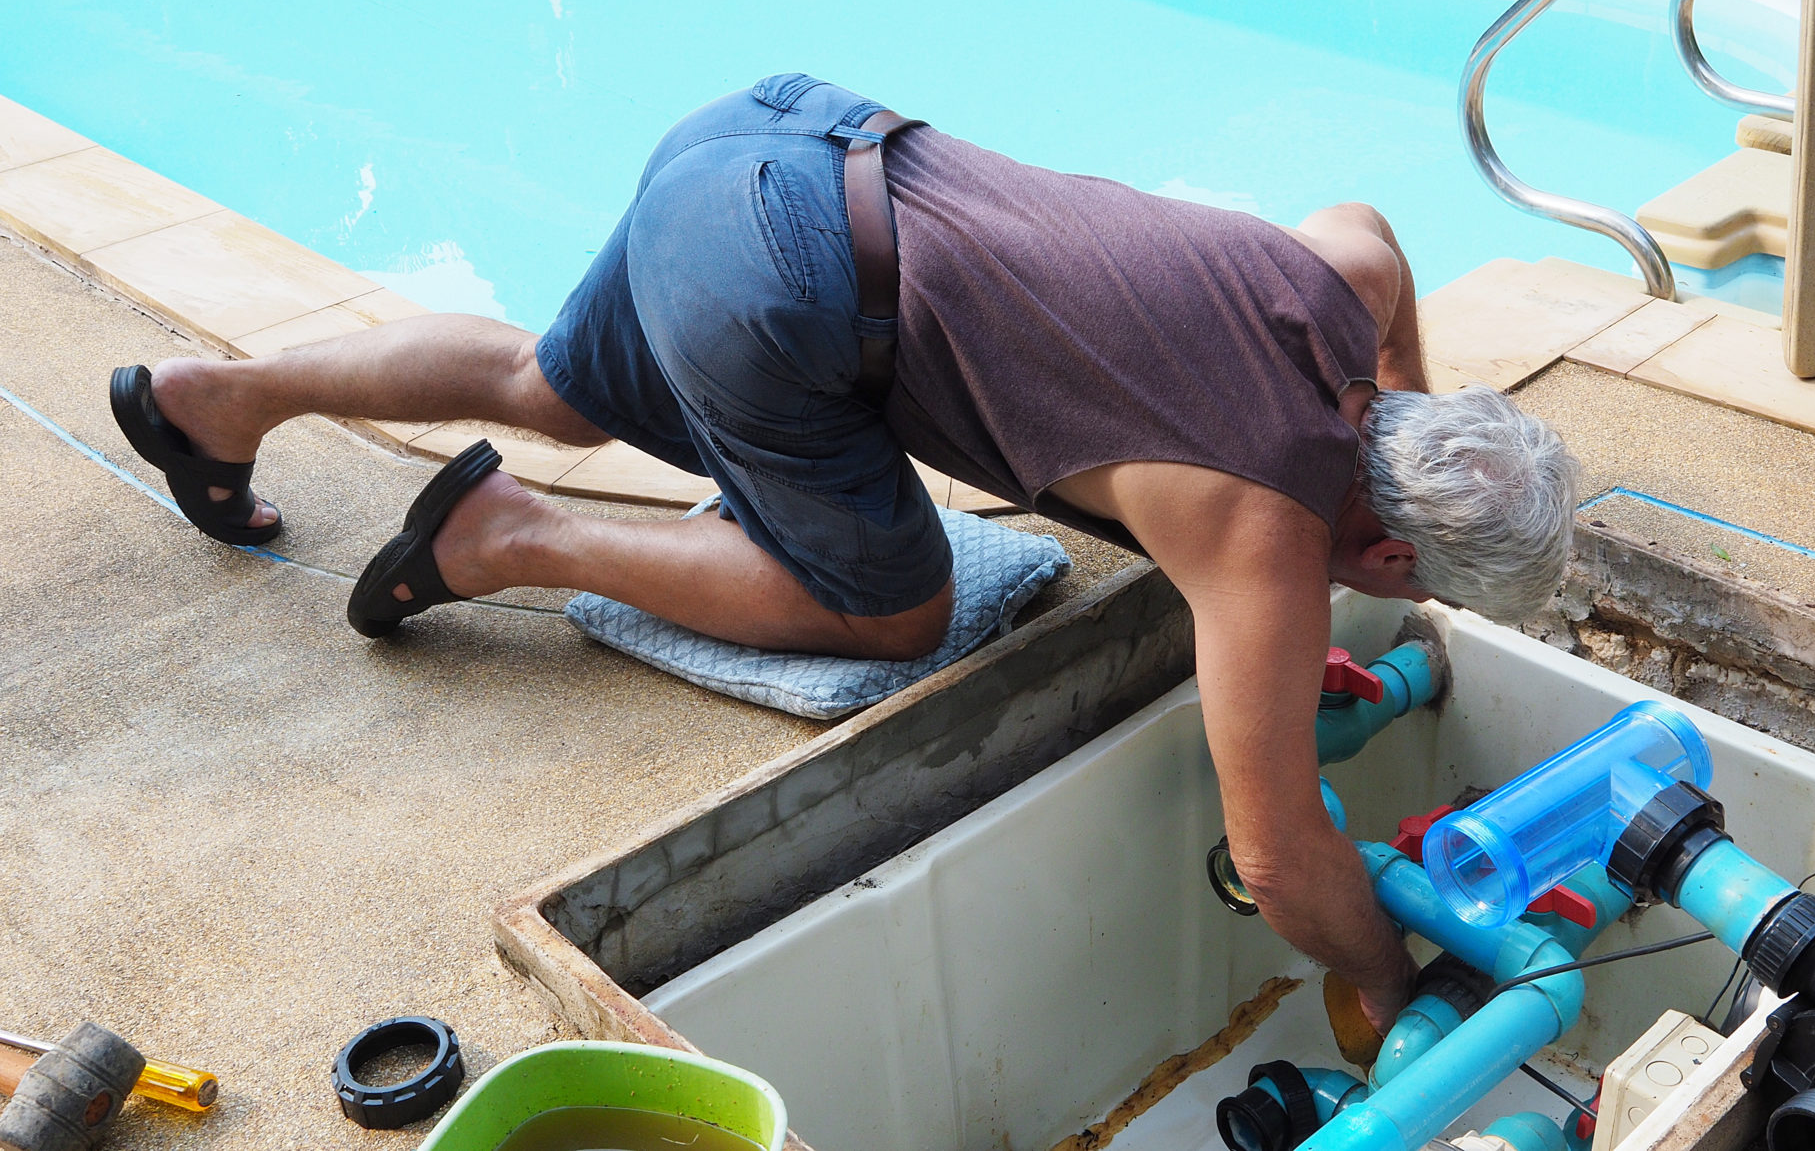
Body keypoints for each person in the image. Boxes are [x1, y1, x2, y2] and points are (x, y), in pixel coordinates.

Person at [110, 75, 1579, 1034]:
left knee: (547, 384)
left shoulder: (1338, 293)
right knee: (898, 602)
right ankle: (514, 536)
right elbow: (1273, 854)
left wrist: (1399, 393)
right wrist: (1383, 970)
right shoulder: (1263, 544)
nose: (1384, 595)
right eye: (1404, 576)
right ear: (1386, 542)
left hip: (777, 138)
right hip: (790, 295)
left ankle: (223, 399)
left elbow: (1376, 235)